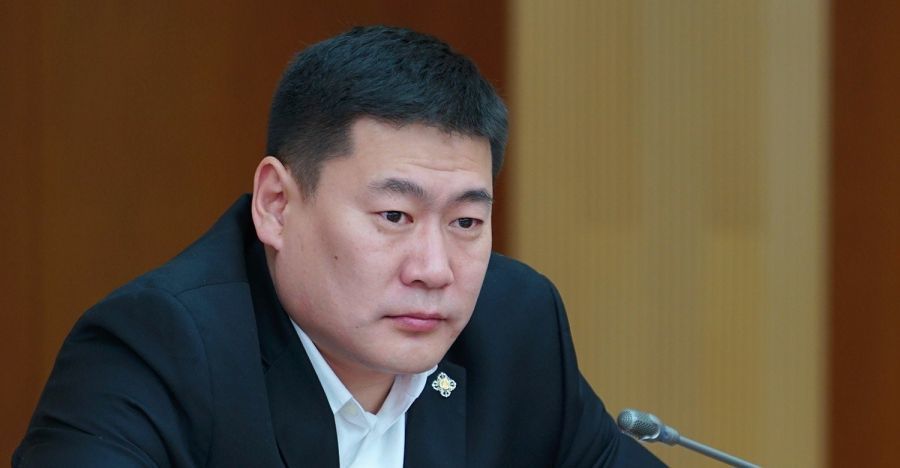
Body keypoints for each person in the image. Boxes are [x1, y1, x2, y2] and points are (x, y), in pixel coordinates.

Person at [14, 26, 663, 467]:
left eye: (466, 222)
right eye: (394, 215)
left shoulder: (514, 324)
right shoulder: (157, 349)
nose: (434, 269)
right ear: (276, 204)